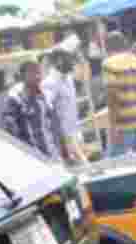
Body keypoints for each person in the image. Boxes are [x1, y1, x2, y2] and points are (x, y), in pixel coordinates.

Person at [101, 31, 136, 157]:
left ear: (107, 47)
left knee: (114, 165)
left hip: (123, 124)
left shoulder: (109, 64)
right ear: (125, 45)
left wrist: (114, 125)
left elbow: (112, 94)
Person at [3, 59, 62, 161]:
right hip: (32, 158)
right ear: (22, 75)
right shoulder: (15, 97)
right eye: (33, 72)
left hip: (52, 155)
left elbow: (54, 122)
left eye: (39, 72)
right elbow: (10, 126)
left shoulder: (44, 94)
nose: (38, 76)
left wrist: (59, 149)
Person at [43, 38, 89, 166]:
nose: (73, 62)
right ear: (59, 61)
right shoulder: (50, 83)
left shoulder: (68, 78)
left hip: (75, 135)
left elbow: (84, 73)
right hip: (65, 141)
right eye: (70, 59)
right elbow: (48, 113)